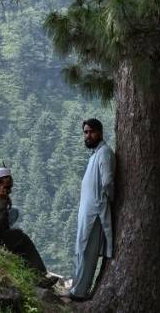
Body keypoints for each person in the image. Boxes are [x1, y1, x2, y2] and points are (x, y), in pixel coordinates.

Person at [0, 168, 52, 281]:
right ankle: (39, 275)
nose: (9, 191)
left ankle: (35, 275)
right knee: (20, 238)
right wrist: (3, 202)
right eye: (7, 188)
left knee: (17, 237)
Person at [69, 118, 115, 301]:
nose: (88, 136)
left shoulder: (104, 153)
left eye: (91, 132)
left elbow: (108, 182)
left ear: (100, 132)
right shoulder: (95, 154)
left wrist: (110, 200)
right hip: (88, 212)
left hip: (96, 212)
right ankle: (75, 288)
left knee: (88, 251)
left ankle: (79, 293)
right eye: (85, 132)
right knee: (81, 248)